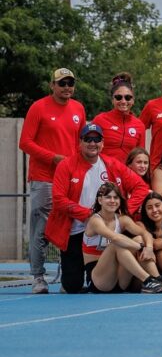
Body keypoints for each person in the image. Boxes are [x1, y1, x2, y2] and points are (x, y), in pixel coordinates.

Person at [45, 123, 149, 294]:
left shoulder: (112, 164)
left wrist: (121, 211)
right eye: (88, 139)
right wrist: (91, 215)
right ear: (80, 142)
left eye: (97, 139)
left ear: (103, 143)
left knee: (115, 270)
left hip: (106, 231)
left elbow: (140, 187)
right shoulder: (66, 165)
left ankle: (153, 280)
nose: (93, 143)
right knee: (72, 287)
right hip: (75, 231)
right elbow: (58, 199)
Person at [20, 67, 87, 293]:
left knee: (70, 228)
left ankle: (68, 276)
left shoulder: (78, 108)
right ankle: (38, 277)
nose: (66, 87)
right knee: (42, 228)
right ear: (52, 85)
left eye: (70, 83)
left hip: (71, 179)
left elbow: (82, 143)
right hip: (44, 178)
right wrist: (54, 158)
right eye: (62, 83)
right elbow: (25, 143)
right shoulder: (38, 107)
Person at [81, 183, 162, 293]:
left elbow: (146, 234)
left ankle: (158, 279)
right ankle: (148, 280)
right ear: (100, 200)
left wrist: (149, 248)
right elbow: (115, 238)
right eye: (108, 197)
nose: (112, 200)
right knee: (116, 244)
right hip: (99, 281)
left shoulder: (122, 219)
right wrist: (140, 247)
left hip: (120, 280)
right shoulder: (95, 220)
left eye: (115, 197)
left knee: (139, 238)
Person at [92, 73, 146, 164]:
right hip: (102, 174)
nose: (123, 101)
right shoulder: (100, 120)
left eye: (128, 97)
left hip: (127, 174)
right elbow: (88, 149)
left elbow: (140, 157)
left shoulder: (139, 125)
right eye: (118, 97)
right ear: (112, 100)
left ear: (133, 100)